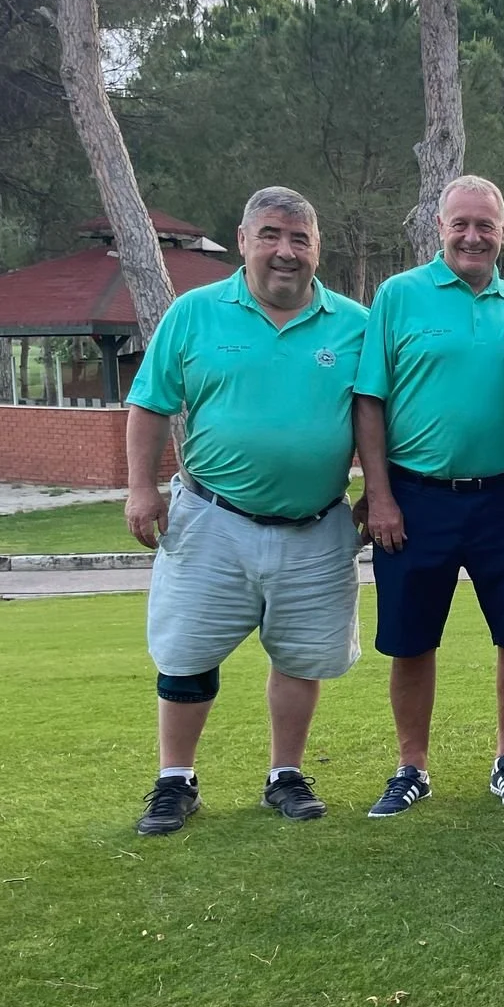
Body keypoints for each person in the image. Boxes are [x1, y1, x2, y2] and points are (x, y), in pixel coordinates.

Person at [125, 186, 367, 835]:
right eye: (270, 236)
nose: (285, 251)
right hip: (212, 519)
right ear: (242, 241)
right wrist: (141, 488)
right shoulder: (194, 313)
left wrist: (381, 490)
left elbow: (378, 417)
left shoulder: (355, 324)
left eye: (299, 239)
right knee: (186, 654)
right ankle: (175, 780)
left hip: (317, 525)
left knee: (301, 656)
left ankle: (285, 775)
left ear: (317, 248)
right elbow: (150, 403)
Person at [353, 175, 504, 818]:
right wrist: (379, 495)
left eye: (485, 225)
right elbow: (369, 401)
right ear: (439, 227)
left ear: (503, 230)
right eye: (461, 224)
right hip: (415, 497)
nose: (472, 236)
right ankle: (412, 767)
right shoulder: (399, 295)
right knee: (411, 640)